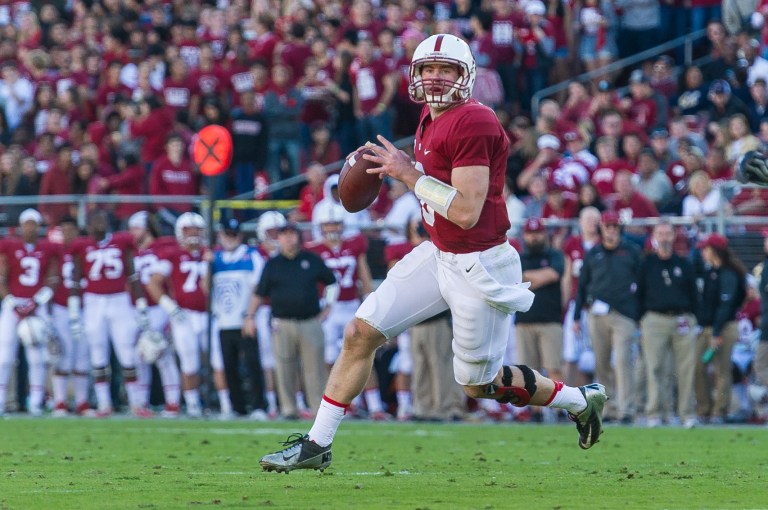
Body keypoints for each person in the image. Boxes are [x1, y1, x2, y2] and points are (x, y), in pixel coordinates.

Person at [259, 34, 607, 473]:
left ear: (467, 77)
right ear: (415, 74)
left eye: (446, 70)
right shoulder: (429, 116)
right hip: (439, 252)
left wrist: (409, 174)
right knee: (359, 333)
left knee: (479, 385)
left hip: (480, 262)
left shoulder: (474, 120)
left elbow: (465, 210)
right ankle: (317, 444)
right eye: (428, 69)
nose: (435, 78)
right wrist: (405, 169)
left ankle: (580, 400)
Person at [242, 223, 337, 420]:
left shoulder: (311, 260)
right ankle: (288, 408)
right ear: (279, 239)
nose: (288, 239)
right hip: (282, 322)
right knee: (285, 367)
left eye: (291, 234)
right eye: (284, 235)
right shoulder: (273, 264)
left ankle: (317, 410)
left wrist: (327, 307)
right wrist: (250, 316)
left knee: (314, 368)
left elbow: (331, 282)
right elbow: (259, 293)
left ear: (298, 237)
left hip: (310, 321)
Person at [70, 210, 149, 417]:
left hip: (119, 300)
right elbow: (75, 282)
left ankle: (136, 403)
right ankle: (104, 403)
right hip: (93, 301)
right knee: (98, 352)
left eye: (102, 218)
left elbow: (133, 276)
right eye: (95, 219)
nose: (99, 223)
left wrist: (141, 306)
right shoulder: (82, 246)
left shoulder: (121, 242)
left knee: (127, 351)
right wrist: (74, 313)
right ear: (88, 226)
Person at [574, 210, 641, 424]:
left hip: (624, 314)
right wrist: (576, 316)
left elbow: (642, 284)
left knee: (623, 361)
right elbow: (582, 285)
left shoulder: (631, 251)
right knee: (601, 362)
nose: (611, 230)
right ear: (601, 229)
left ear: (619, 228)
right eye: (607, 226)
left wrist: (638, 312)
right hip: (597, 314)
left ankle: (627, 408)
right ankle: (608, 408)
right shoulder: (593, 253)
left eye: (614, 226)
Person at [636, 221, 699, 428]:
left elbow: (694, 295)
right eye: (660, 233)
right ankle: (655, 412)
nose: (664, 237)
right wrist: (640, 321)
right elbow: (638, 294)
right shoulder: (646, 264)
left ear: (674, 236)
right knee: (654, 367)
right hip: (654, 319)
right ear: (654, 236)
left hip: (682, 319)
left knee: (685, 369)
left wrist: (694, 319)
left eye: (667, 233)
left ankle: (686, 413)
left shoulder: (684, 264)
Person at [0, 209, 59, 416]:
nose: (30, 228)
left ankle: (36, 402)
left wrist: (36, 301)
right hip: (13, 305)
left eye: (34, 224)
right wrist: (11, 302)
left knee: (37, 357)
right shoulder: (10, 247)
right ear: (20, 226)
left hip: (36, 305)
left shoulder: (47, 249)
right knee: (4, 355)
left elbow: (53, 280)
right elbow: (2, 278)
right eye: (27, 224)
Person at [211, 218, 268, 420]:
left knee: (253, 364)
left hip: (245, 318)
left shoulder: (251, 255)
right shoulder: (214, 258)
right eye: (227, 234)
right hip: (223, 319)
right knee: (229, 366)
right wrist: (206, 265)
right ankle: (237, 407)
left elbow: (258, 288)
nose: (230, 238)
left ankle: (259, 406)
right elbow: (206, 289)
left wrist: (249, 315)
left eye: (233, 234)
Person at [128, 211, 182, 417]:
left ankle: (173, 402)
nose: (132, 233)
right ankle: (141, 402)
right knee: (139, 354)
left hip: (159, 306)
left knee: (161, 352)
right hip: (138, 308)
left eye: (136, 228)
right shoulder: (133, 251)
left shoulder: (164, 246)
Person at [515, 217, 566, 421]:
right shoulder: (518, 257)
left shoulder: (554, 254)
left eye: (538, 233)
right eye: (531, 233)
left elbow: (554, 274)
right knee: (529, 371)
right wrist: (538, 277)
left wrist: (527, 278)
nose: (534, 237)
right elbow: (514, 280)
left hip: (550, 320)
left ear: (544, 234)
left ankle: (560, 408)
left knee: (554, 367)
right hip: (525, 321)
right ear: (525, 235)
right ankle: (535, 411)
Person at [694, 233, 747, 424]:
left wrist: (716, 332)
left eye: (705, 248)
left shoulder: (728, 274)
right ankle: (704, 409)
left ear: (714, 251)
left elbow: (726, 305)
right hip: (709, 327)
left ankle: (720, 411)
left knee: (721, 370)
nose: (702, 252)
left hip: (723, 328)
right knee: (698, 367)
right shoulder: (711, 272)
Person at [49, 215, 91, 417]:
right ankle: (60, 402)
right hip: (60, 307)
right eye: (63, 231)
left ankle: (82, 402)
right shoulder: (55, 252)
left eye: (70, 231)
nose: (67, 235)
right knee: (62, 355)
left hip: (85, 307)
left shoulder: (85, 250)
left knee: (83, 355)